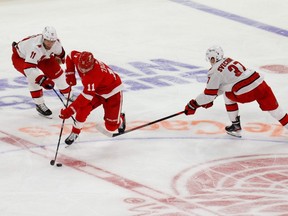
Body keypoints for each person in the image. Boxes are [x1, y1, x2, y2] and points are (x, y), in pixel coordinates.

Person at [184, 45, 288, 137]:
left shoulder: (214, 71)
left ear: (212, 58)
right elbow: (229, 83)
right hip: (261, 85)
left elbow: (209, 95)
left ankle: (235, 125)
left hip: (245, 93)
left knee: (227, 96)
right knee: (276, 111)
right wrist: (209, 98)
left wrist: (194, 104)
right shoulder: (230, 60)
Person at [59, 50, 126, 144]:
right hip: (96, 91)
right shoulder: (78, 58)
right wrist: (70, 73)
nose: (83, 71)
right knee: (83, 109)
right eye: (81, 68)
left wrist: (70, 110)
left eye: (86, 69)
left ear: (92, 64)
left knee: (111, 127)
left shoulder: (94, 75)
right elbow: (70, 55)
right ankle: (75, 132)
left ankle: (120, 117)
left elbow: (85, 98)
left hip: (112, 92)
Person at [11, 26, 76, 118]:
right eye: (47, 41)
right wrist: (41, 79)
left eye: (52, 41)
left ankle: (69, 94)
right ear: (43, 38)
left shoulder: (56, 43)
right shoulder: (35, 47)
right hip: (21, 58)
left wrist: (61, 59)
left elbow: (61, 54)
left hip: (43, 57)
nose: (50, 44)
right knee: (34, 79)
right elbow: (29, 69)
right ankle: (39, 104)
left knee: (58, 74)